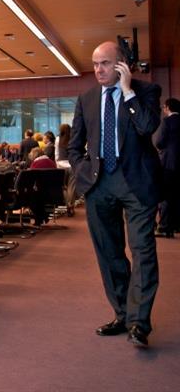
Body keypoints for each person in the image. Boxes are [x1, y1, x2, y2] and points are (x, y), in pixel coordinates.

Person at [68, 40, 161, 348]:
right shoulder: (87, 98)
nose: (98, 70)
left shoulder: (146, 92)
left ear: (122, 64)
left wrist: (127, 91)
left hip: (137, 183)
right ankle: (122, 314)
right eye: (95, 64)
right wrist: (82, 171)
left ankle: (139, 323)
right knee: (109, 253)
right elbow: (74, 145)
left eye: (105, 63)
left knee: (142, 251)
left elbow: (147, 127)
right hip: (99, 184)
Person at [152, 97, 180, 238]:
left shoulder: (167, 121)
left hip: (169, 163)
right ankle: (176, 225)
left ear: (168, 107)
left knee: (166, 195)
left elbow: (159, 141)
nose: (163, 109)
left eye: (164, 107)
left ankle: (164, 227)